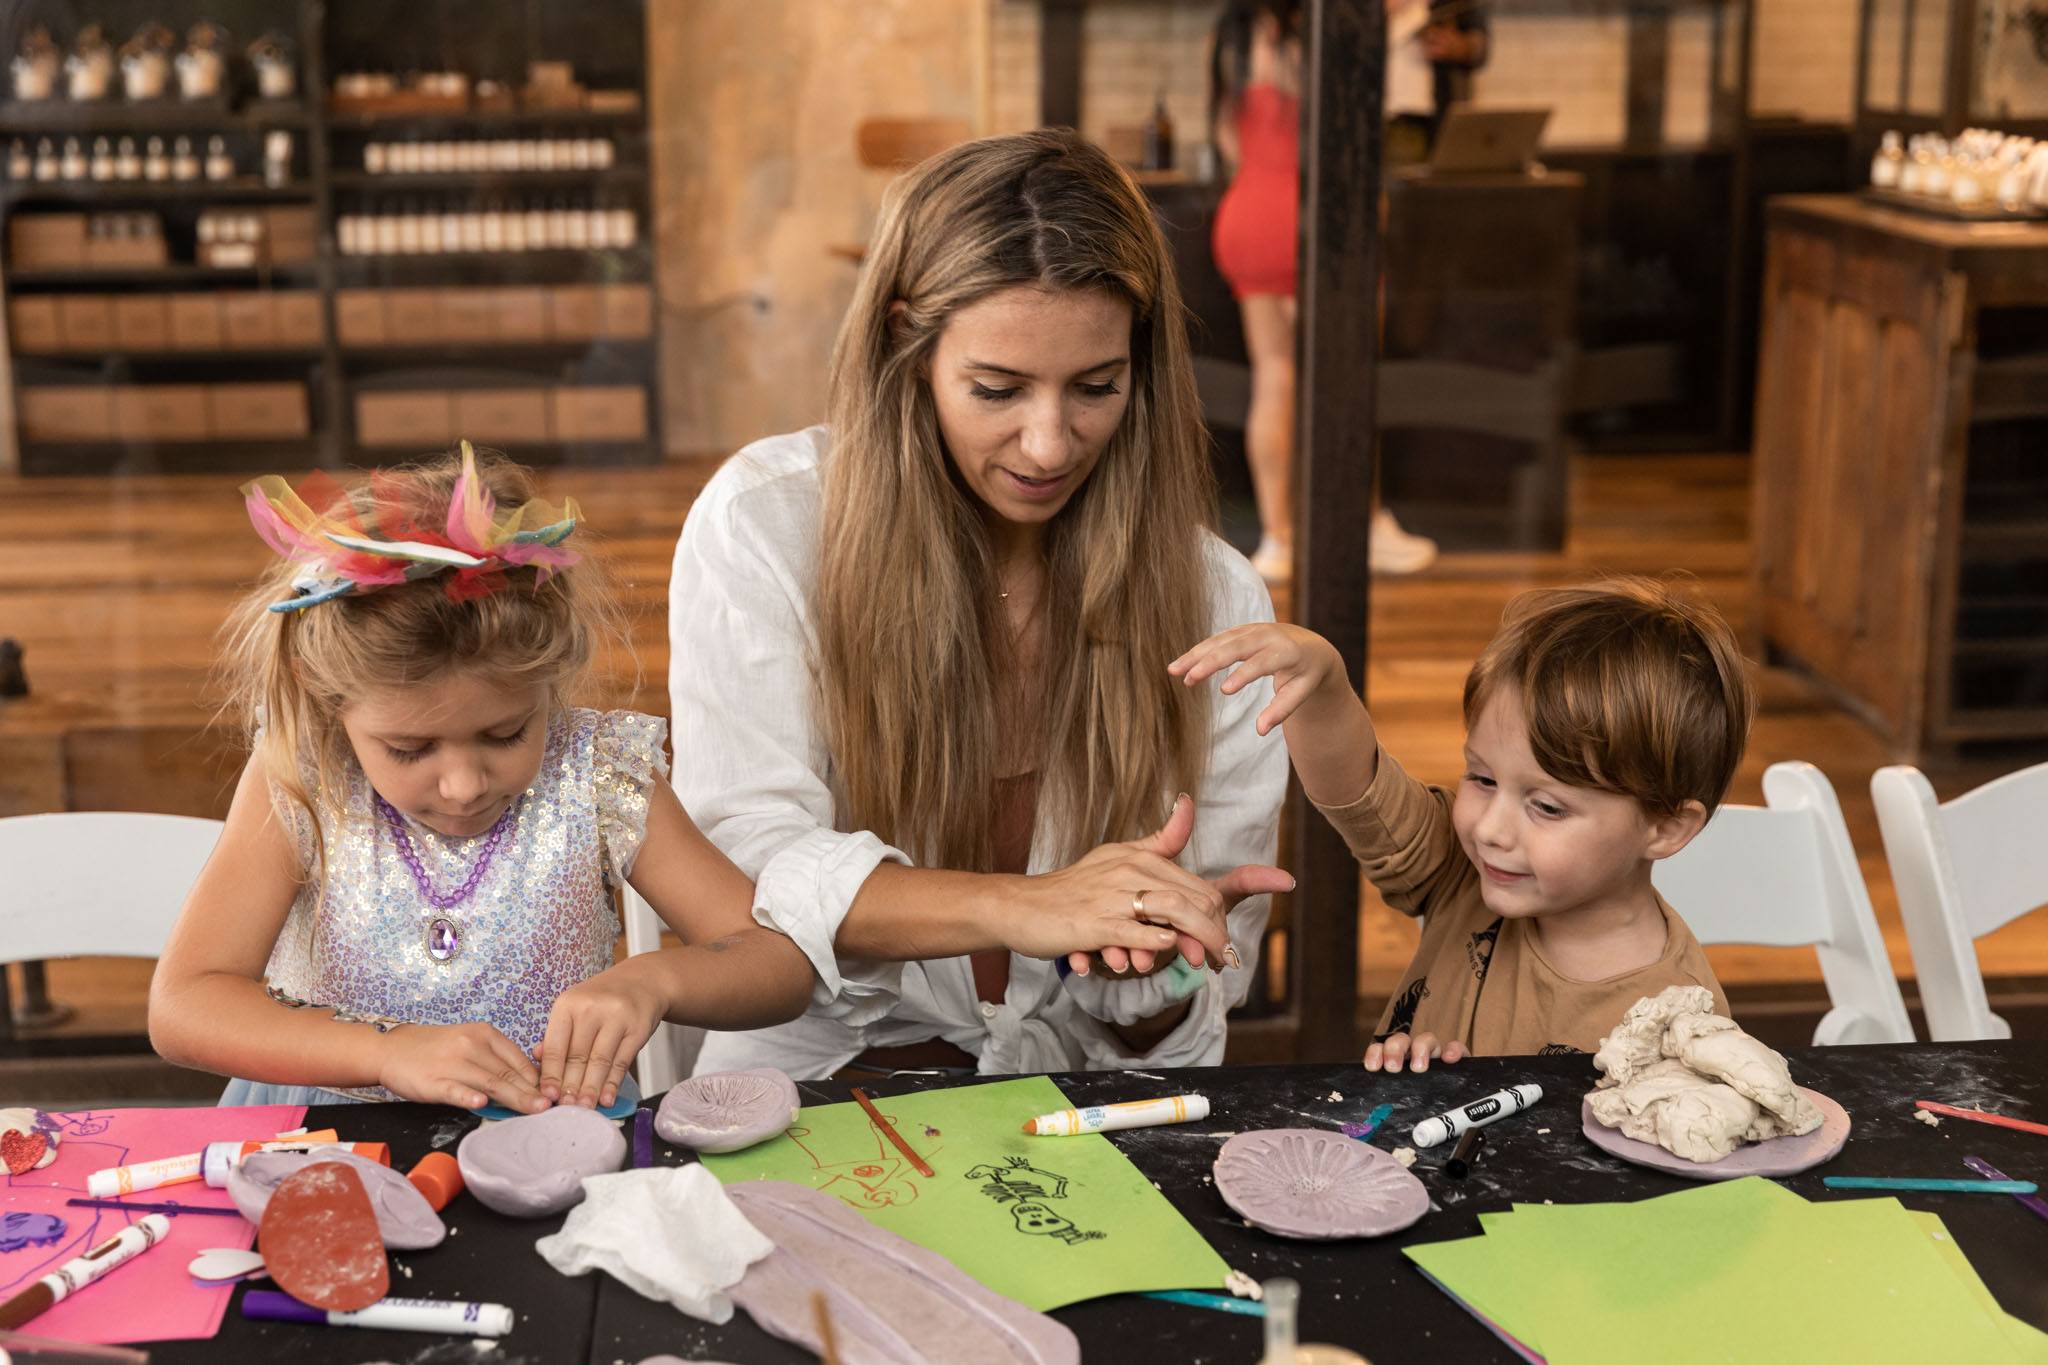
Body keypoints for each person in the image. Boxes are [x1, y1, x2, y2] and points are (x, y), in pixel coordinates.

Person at [669, 129, 1293, 1082]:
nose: (1049, 445)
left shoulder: (1214, 594)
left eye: (1097, 387)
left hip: (1090, 1100)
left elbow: (1178, 1019)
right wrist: (1023, 902)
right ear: (903, 343)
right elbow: (750, 879)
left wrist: (1157, 975)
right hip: (812, 1082)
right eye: (996, 389)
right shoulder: (767, 526)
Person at [149, 444, 815, 1111]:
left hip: (551, 1139)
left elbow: (778, 965)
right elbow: (185, 1004)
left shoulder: (600, 772)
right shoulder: (302, 778)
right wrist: (384, 1049)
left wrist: (658, 979)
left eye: (505, 734)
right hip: (316, 1142)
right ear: (324, 697)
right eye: (410, 748)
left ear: (549, 683)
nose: (464, 783)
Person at [1172, 576, 1754, 1068]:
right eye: (1482, 778)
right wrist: (1323, 687)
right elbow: (1356, 789)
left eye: (1547, 807)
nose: (1490, 829)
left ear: (1667, 828)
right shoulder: (1463, 871)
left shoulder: (1682, 1033)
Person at [1209, 0, 1439, 580]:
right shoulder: (1320, 33)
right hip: (1316, 216)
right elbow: (1353, 126)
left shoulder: (1237, 33)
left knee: (1275, 374)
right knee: (1347, 378)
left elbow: (1227, 138)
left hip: (1247, 210)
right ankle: (1364, 526)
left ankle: (1277, 540)